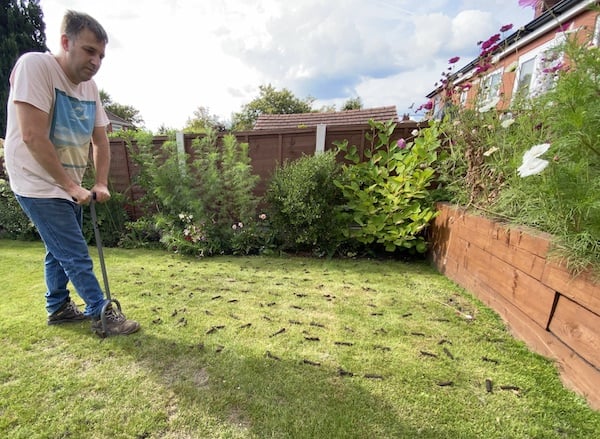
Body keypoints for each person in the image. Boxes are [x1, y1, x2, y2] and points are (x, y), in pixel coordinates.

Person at [4, 10, 140, 336]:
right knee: (74, 250)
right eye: (89, 51)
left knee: (59, 248)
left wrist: (101, 181)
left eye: (102, 56)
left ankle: (59, 308)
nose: (96, 61)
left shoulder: (89, 88)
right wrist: (67, 184)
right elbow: (32, 136)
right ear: (66, 42)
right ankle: (101, 311)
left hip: (69, 184)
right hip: (35, 180)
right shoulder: (35, 66)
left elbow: (101, 141)